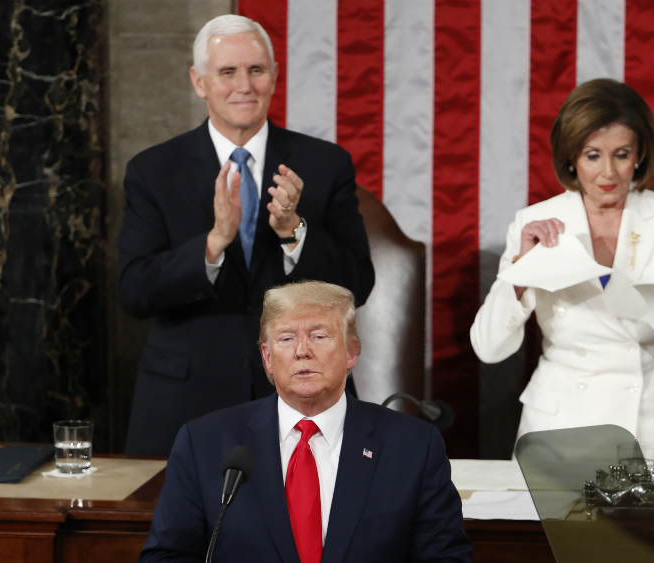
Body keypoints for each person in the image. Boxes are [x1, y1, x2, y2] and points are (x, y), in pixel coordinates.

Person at [118, 15, 375, 455]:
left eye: (256, 70)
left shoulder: (324, 165)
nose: (245, 85)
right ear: (199, 82)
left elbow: (358, 284)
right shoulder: (153, 170)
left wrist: (294, 232)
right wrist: (213, 243)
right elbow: (135, 291)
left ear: (274, 77)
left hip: (298, 400)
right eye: (227, 72)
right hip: (183, 405)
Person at [470, 79, 654, 467]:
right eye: (592, 156)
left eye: (621, 154)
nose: (608, 173)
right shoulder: (533, 222)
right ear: (571, 157)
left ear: (639, 155)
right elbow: (488, 346)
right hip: (564, 426)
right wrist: (522, 271)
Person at [139, 281, 472, 563]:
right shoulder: (204, 443)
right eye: (286, 338)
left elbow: (446, 557)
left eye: (319, 335)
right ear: (267, 358)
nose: (302, 351)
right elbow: (166, 556)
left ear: (351, 352)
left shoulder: (413, 446)